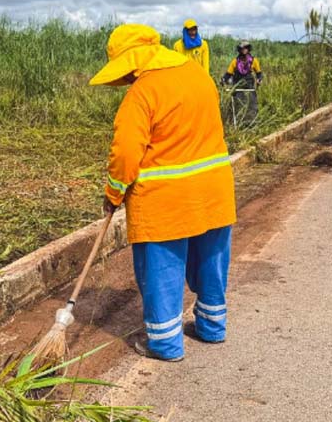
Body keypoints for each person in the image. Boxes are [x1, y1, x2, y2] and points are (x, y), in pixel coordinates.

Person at [91, 24, 236, 361]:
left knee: (162, 271)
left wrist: (113, 194)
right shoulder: (199, 76)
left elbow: (126, 152)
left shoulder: (143, 93)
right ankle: (213, 328)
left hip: (165, 201)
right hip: (214, 190)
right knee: (211, 262)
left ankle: (166, 344)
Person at [222, 41, 263, 124]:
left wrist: (259, 79)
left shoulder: (254, 61)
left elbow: (259, 73)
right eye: (242, 48)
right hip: (238, 86)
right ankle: (239, 122)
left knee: (251, 104)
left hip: (249, 86)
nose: (244, 50)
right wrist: (223, 80)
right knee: (239, 104)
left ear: (248, 49)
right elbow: (228, 74)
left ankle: (251, 122)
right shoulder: (235, 62)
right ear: (240, 50)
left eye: (246, 48)